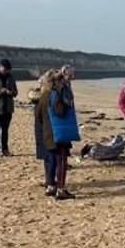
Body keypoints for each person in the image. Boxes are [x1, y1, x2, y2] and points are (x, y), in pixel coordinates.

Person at [45, 67, 81, 200]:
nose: (73, 76)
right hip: (60, 129)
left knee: (57, 159)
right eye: (71, 74)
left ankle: (53, 186)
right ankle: (60, 188)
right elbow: (59, 110)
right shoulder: (59, 91)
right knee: (61, 160)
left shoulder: (54, 90)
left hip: (58, 129)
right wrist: (67, 106)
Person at [33, 70, 57, 191]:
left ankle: (49, 181)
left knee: (48, 157)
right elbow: (60, 111)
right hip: (50, 131)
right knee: (51, 157)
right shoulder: (49, 96)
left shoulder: (42, 96)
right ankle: (51, 183)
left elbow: (38, 116)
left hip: (44, 130)